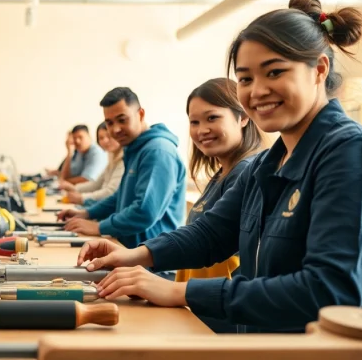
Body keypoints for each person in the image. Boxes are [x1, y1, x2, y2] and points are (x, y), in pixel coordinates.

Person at [76, 0, 362, 333]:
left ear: (319, 70)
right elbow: (212, 234)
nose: (258, 90)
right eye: (246, 79)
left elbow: (330, 290)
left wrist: (179, 291)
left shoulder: (355, 155)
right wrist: (135, 255)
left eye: (274, 72)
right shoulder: (267, 164)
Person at [176, 77, 265, 333]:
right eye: (194, 122)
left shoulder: (246, 171)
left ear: (244, 117)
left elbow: (212, 240)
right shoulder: (223, 171)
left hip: (221, 313)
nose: (201, 129)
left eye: (212, 118)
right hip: (201, 306)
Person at [58, 88, 187, 256]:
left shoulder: (157, 151)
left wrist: (98, 227)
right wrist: (87, 213)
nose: (115, 129)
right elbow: (119, 197)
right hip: (131, 253)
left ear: (140, 114)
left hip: (155, 265)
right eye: (109, 123)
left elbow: (144, 212)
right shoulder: (135, 149)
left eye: (122, 120)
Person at [58, 122, 124, 207]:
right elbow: (96, 184)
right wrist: (73, 188)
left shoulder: (121, 160)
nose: (105, 141)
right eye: (101, 138)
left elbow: (109, 192)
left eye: (108, 136)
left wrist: (81, 197)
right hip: (101, 204)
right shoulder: (111, 159)